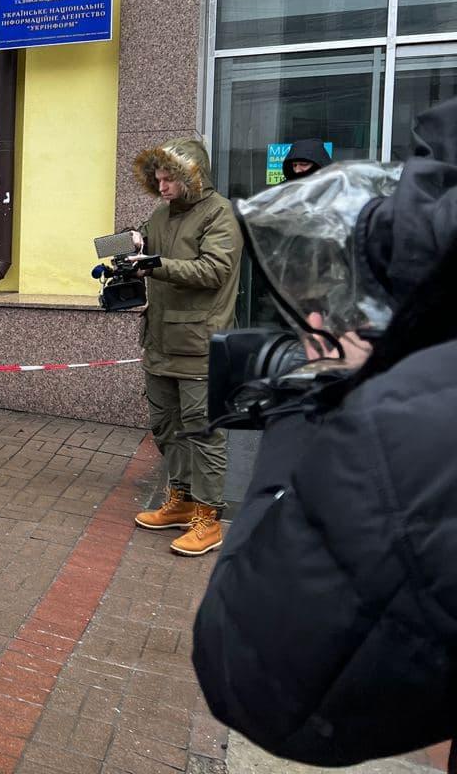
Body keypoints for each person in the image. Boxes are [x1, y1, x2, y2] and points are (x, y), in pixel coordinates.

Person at [193, 104, 457, 767]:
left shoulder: (409, 427)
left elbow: (250, 668)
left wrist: (314, 395)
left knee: (196, 440)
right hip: (171, 344)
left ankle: (199, 508)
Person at [129, 137, 242, 556]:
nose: (161, 187)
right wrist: (133, 244)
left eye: (168, 180)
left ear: (189, 176)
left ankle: (208, 518)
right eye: (156, 180)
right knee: (167, 427)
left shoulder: (219, 214)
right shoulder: (160, 216)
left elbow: (214, 269)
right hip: (158, 341)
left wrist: (155, 265)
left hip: (198, 345)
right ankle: (181, 499)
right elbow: (145, 244)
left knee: (203, 431)